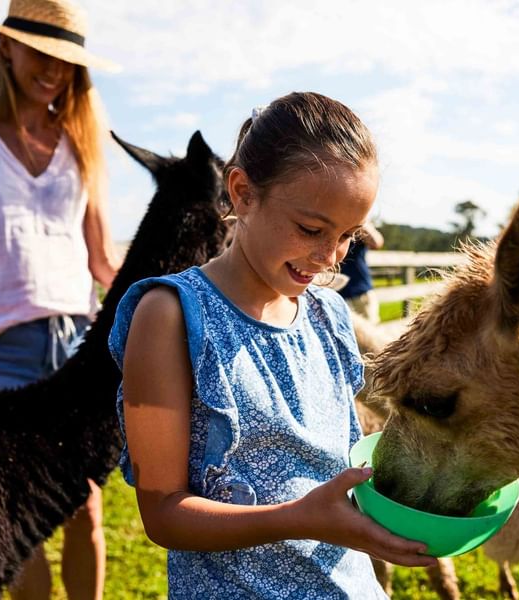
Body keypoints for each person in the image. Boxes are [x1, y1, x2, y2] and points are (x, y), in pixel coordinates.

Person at [108, 92, 436, 599]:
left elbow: (332, 469)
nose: (329, 258)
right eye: (311, 229)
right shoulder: (170, 317)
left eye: (348, 235)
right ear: (240, 192)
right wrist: (299, 519)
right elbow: (164, 513)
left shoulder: (329, 315)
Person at [0, 1, 120, 598]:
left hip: (78, 346)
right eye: (41, 52)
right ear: (7, 47)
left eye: (67, 61)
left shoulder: (81, 143)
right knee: (16, 520)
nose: (55, 70)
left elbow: (103, 259)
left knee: (84, 505)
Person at [339, 221, 384, 323]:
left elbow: (377, 243)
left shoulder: (361, 223)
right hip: (339, 293)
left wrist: (362, 222)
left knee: (370, 332)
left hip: (360, 291)